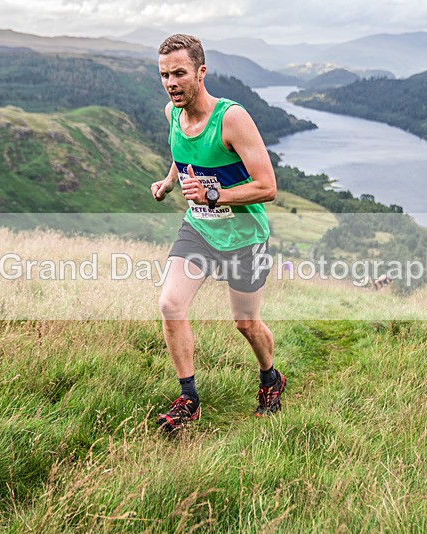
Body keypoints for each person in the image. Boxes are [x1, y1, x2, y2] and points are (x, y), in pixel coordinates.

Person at [150, 34, 285, 432]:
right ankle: (189, 399)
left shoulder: (232, 118)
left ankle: (270, 378)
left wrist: (214, 194)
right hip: (200, 229)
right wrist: (170, 181)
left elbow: (268, 187)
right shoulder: (171, 114)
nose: (171, 82)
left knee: (245, 323)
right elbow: (183, 157)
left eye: (179, 73)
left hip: (245, 234)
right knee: (170, 306)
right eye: (164, 75)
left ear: (201, 72)